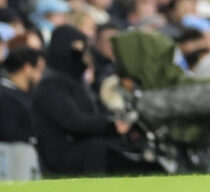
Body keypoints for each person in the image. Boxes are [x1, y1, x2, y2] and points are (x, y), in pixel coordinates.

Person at [30, 26, 134, 175]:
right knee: (100, 148)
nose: (84, 56)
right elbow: (74, 122)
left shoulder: (75, 82)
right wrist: (112, 125)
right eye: (78, 49)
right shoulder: (51, 85)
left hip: (83, 147)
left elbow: (93, 115)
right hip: (63, 156)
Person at [0, 47, 44, 142]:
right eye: (39, 70)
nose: (41, 75)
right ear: (27, 68)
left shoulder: (25, 95)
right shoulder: (2, 99)